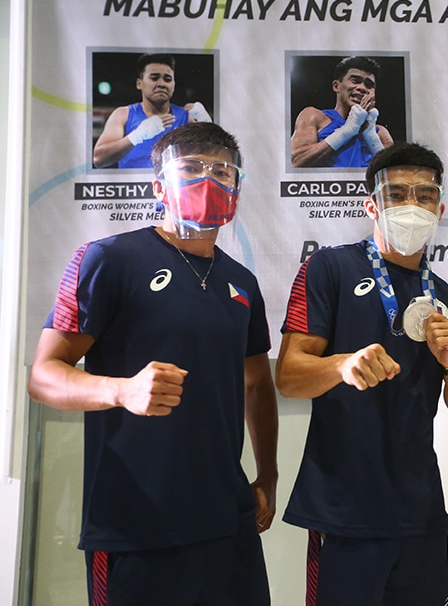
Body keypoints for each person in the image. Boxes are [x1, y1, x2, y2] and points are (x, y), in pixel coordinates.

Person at [28, 122, 278, 606]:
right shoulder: (108, 259)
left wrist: (266, 475)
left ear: (238, 189)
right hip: (134, 521)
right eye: (191, 168)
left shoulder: (241, 281)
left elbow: (255, 384)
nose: (209, 179)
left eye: (223, 172)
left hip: (227, 518)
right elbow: (43, 376)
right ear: (159, 184)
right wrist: (120, 391)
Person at [275, 142, 448, 605]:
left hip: (420, 507)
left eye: (424, 195)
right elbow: (289, 376)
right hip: (345, 508)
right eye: (397, 194)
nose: (412, 205)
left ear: (440, 208)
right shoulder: (328, 268)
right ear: (371, 205)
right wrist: (342, 365)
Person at [93, 53, 212, 169]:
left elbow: (213, 158)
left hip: (172, 188)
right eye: (154, 78)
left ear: (173, 85)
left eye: (167, 79)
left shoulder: (185, 117)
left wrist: (208, 125)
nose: (161, 84)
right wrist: (137, 136)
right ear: (139, 84)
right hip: (134, 188)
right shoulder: (123, 115)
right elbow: (98, 160)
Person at [290, 55, 395, 168]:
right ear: (336, 86)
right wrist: (346, 131)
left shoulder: (380, 133)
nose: (362, 88)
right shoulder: (314, 117)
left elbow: (397, 176)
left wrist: (371, 138)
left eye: (369, 85)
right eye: (355, 80)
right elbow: (294, 162)